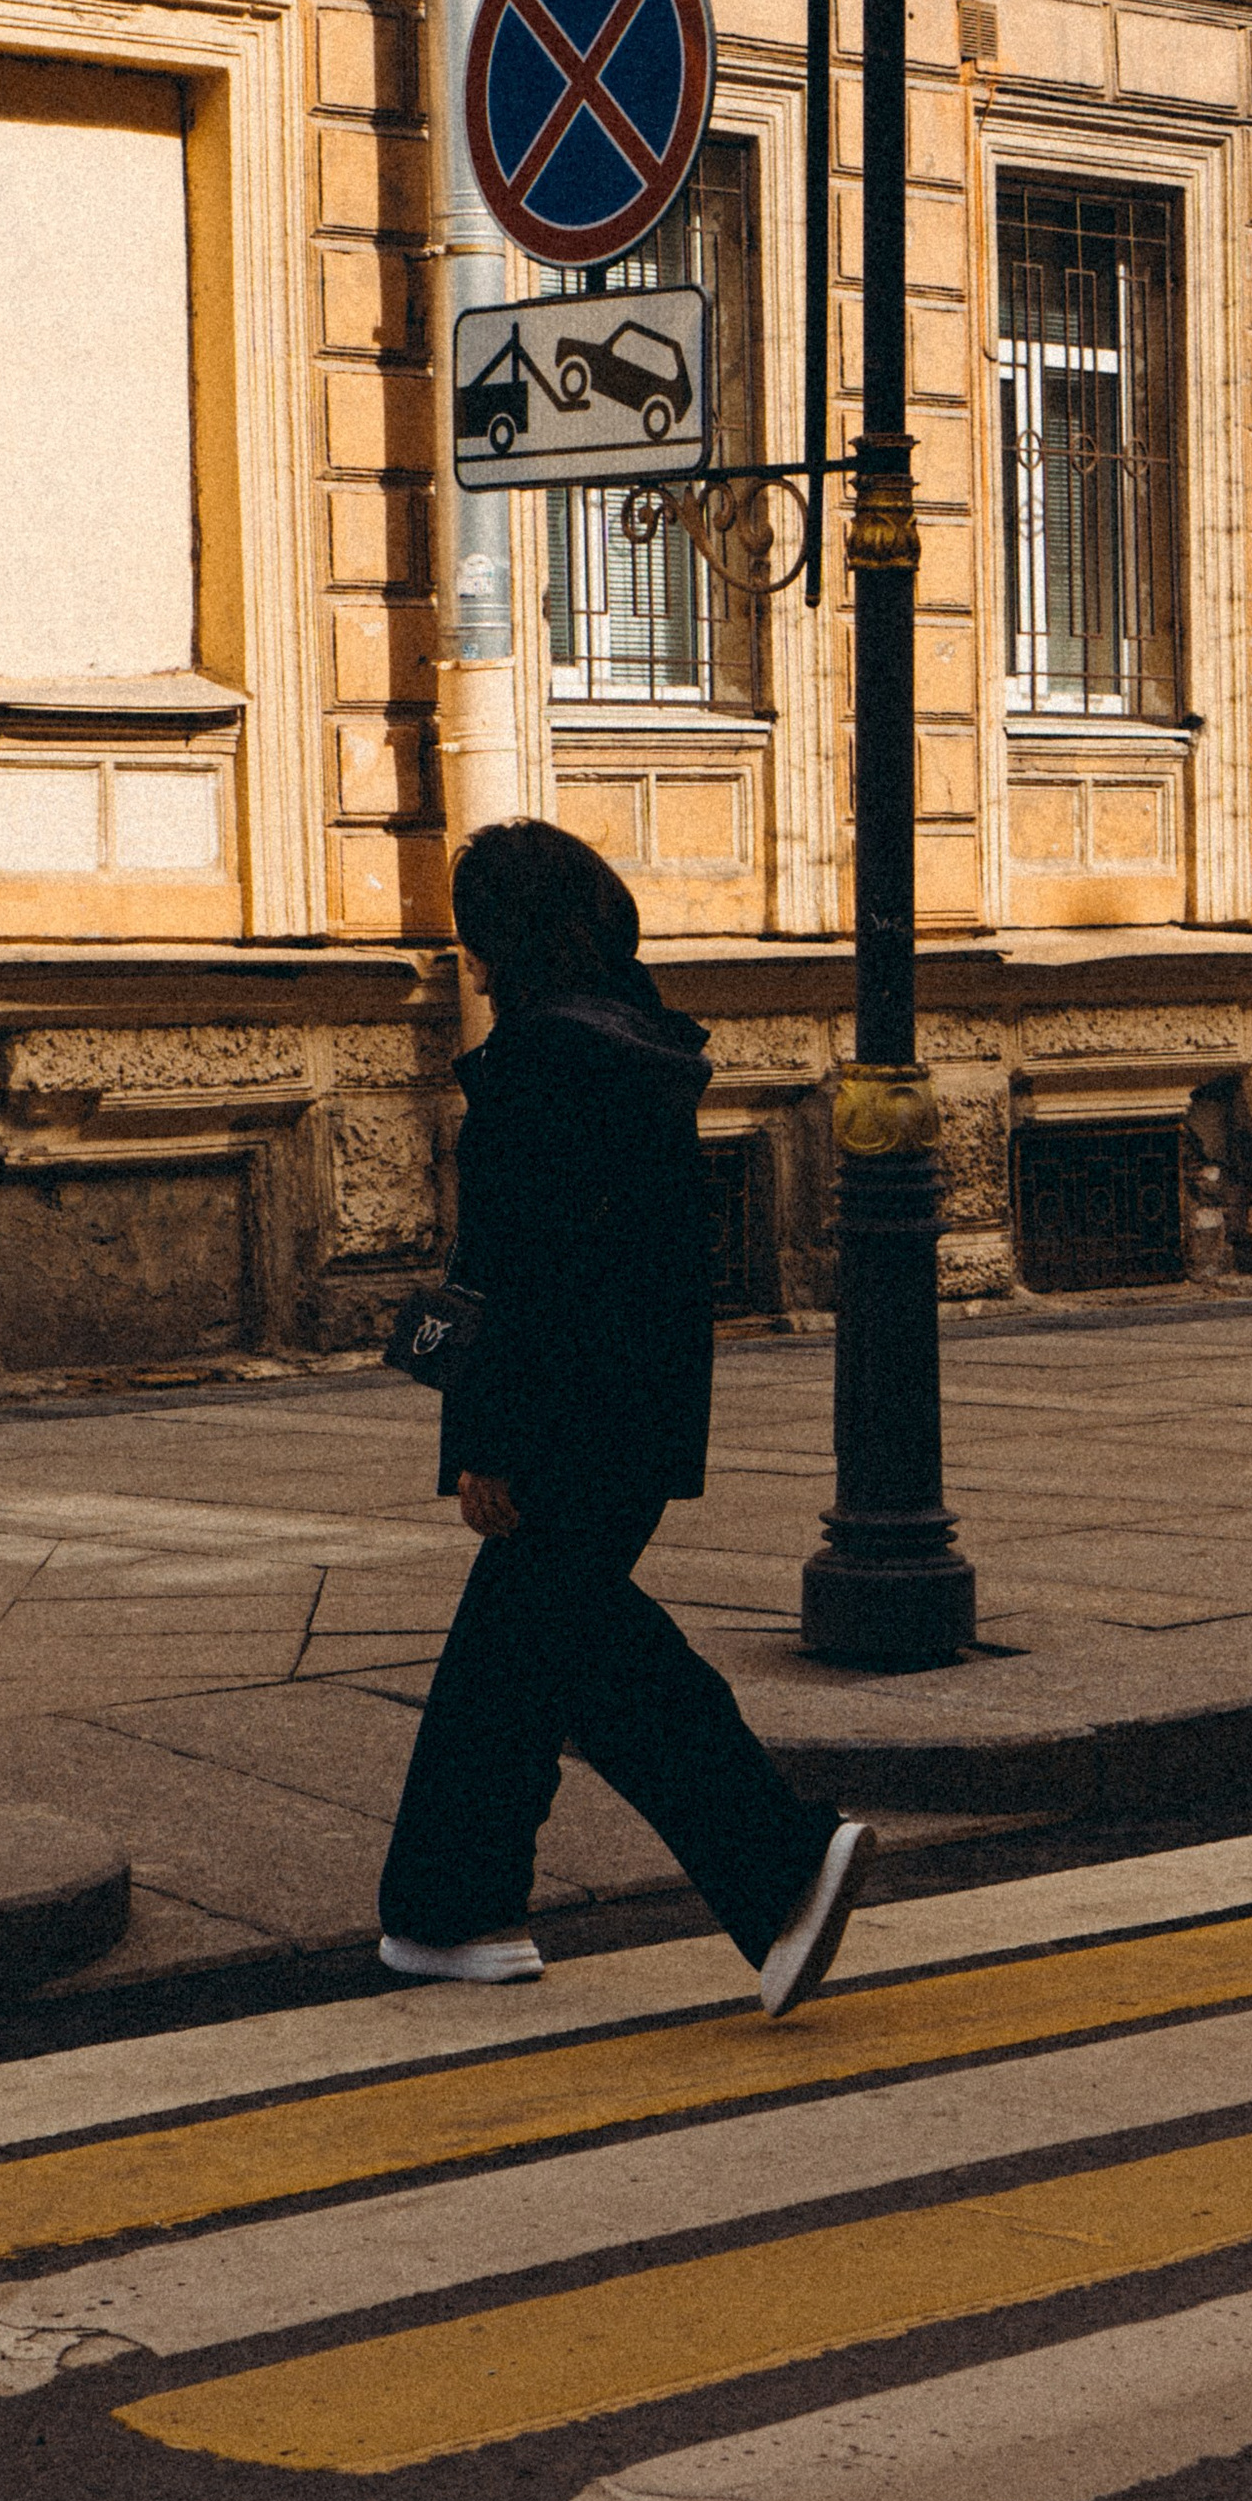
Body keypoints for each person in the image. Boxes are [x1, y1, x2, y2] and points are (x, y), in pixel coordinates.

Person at [378, 818, 871, 2019]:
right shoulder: (640, 1050)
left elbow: (515, 1272)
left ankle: (779, 1863)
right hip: (636, 1415)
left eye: (471, 933)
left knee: (585, 1656)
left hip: (555, 1422)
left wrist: (483, 1442)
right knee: (527, 1663)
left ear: (495, 940)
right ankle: (456, 1913)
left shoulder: (539, 1062)